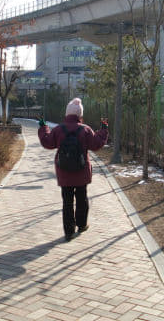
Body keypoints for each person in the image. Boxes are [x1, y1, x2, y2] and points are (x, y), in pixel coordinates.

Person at [38, 97, 109, 241]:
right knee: (82, 199)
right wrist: (103, 129)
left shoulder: (58, 129)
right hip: (81, 171)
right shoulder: (85, 129)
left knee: (67, 201)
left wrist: (43, 127)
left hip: (64, 172)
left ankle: (69, 231)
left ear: (67, 114)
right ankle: (82, 225)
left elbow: (47, 142)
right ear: (79, 115)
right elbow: (96, 144)